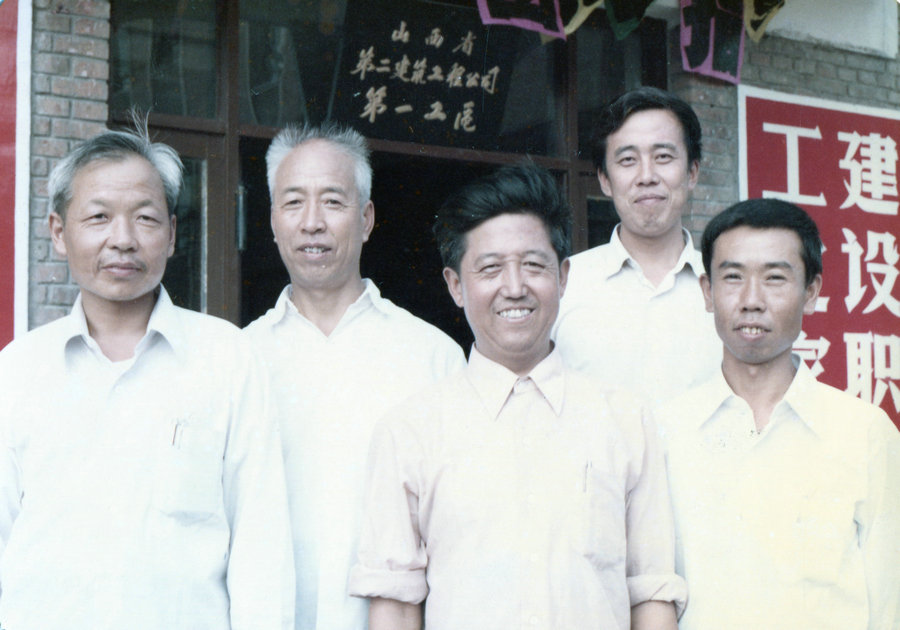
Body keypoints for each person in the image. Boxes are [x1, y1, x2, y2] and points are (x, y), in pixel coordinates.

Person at [349, 163, 685, 630]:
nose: (514, 287)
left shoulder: (625, 419)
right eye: (490, 268)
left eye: (533, 265)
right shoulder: (410, 431)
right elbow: (395, 602)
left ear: (563, 277)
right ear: (455, 285)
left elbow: (651, 592)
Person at [0, 122, 294, 629]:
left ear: (172, 234)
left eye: (145, 218)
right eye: (98, 217)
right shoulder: (18, 369)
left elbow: (261, 544)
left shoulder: (227, 359)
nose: (123, 239)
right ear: (58, 232)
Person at [243, 123, 464, 630]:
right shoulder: (240, 359)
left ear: (366, 219)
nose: (312, 223)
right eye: (293, 202)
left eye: (333, 202)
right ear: (273, 221)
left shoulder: (432, 357)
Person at [662, 198, 900, 629]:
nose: (752, 300)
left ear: (811, 292)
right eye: (733, 277)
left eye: (775, 278)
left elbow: (890, 601)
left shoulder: (864, 432)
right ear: (707, 292)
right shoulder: (666, 431)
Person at [553, 86, 720, 406]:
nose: (647, 176)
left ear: (692, 172)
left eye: (663, 157)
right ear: (605, 180)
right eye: (628, 160)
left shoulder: (730, 286)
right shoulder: (565, 285)